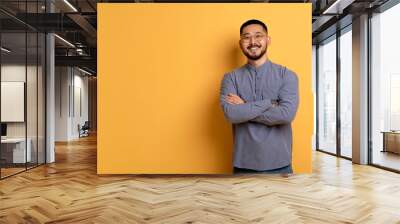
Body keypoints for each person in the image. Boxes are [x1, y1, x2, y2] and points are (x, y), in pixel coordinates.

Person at [219, 19, 299, 175]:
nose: (252, 42)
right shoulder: (230, 78)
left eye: (258, 36)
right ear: (240, 43)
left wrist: (245, 105)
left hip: (280, 164)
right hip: (243, 164)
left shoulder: (287, 75)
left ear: (268, 40)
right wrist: (269, 103)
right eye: (246, 37)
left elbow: (286, 115)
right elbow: (231, 114)